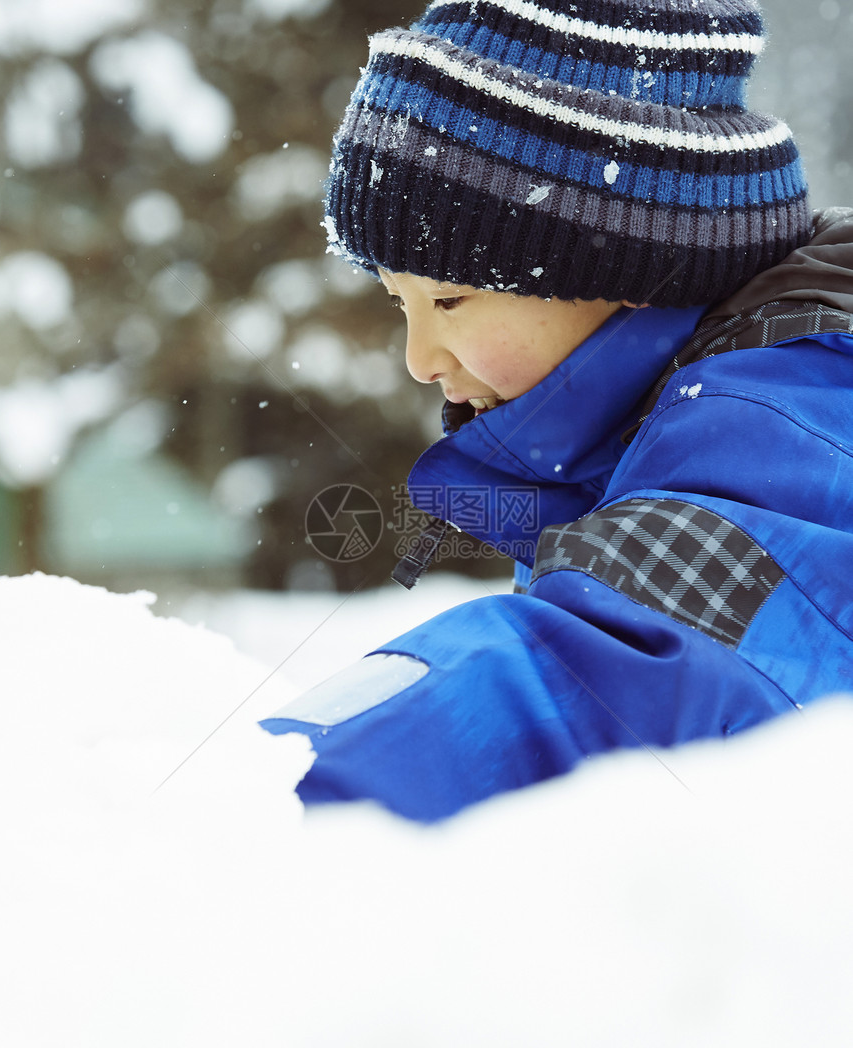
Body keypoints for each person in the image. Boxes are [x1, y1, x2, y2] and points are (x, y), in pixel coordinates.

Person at [261, 0, 853, 822]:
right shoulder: (645, 421)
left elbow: (618, 669)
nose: (419, 358)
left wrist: (266, 792)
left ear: (629, 262)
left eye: (451, 299)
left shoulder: (788, 411)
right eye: (401, 303)